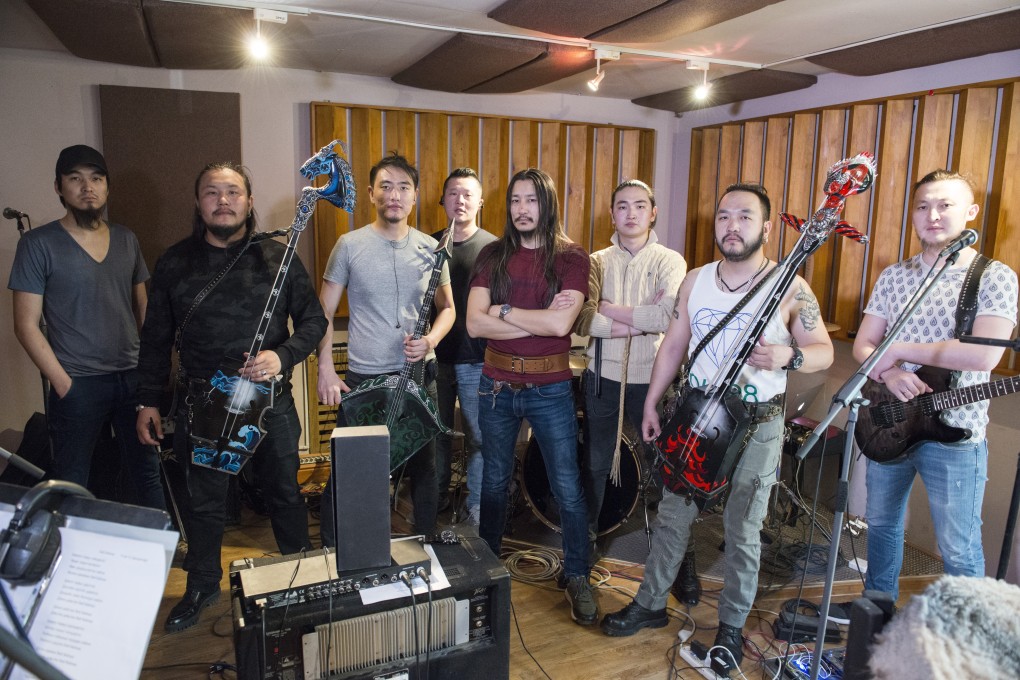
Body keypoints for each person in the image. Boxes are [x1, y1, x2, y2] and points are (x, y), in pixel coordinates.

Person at [600, 183, 834, 676]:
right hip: (697, 418)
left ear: (767, 227)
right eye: (724, 215)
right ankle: (650, 603)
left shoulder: (791, 285)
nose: (732, 225)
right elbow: (673, 345)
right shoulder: (698, 279)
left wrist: (789, 355)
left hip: (758, 424)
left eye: (745, 217)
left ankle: (729, 628)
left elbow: (824, 352)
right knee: (671, 516)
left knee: (744, 531)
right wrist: (650, 403)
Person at [136, 162, 326, 632]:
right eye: (212, 192)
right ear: (198, 202)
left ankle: (298, 575)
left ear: (249, 200)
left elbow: (313, 322)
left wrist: (283, 357)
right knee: (205, 503)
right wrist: (148, 401)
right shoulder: (174, 262)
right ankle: (202, 584)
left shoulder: (278, 257)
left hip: (271, 401)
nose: (223, 201)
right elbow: (155, 338)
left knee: (284, 491)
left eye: (233, 192)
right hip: (202, 402)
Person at [853, 170, 1017, 600]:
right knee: (883, 525)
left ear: (970, 212)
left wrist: (899, 348)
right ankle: (878, 610)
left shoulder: (994, 276)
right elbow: (863, 346)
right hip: (888, 419)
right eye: (923, 206)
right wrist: (889, 372)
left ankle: (968, 639)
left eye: (945, 205)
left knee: (958, 547)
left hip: (956, 433)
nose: (933, 215)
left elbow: (983, 355)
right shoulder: (895, 275)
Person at [465, 168, 595, 625]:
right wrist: (532, 317)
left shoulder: (572, 258)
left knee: (567, 487)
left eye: (531, 201)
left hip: (551, 387)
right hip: (496, 385)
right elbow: (475, 324)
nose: (522, 210)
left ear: (547, 204)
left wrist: (503, 309)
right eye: (515, 201)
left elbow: (561, 326)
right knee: (494, 480)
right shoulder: (492, 254)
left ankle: (578, 574)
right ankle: (487, 565)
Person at [9, 144, 164, 509]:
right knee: (72, 480)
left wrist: (150, 374)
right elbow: (25, 324)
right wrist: (64, 384)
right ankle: (69, 558)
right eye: (75, 179)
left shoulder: (126, 238)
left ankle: (161, 552)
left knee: (147, 470)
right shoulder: (37, 244)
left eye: (96, 179)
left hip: (131, 379)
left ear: (107, 187)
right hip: (77, 383)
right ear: (59, 187)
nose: (87, 187)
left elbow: (144, 308)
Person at [317, 153, 454, 545]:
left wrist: (430, 340)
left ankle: (425, 550)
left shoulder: (432, 248)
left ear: (414, 196)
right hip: (365, 377)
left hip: (418, 375)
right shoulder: (349, 245)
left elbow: (449, 309)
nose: (395, 195)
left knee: (425, 469)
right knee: (351, 469)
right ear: (373, 194)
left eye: (404, 187)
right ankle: (334, 552)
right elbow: (322, 313)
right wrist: (325, 368)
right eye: (386, 186)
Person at [573, 179, 690, 579]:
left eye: (640, 206)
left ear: (652, 212)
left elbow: (665, 319)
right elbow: (584, 319)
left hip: (653, 379)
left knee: (666, 470)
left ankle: (676, 560)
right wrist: (634, 322)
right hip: (601, 376)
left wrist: (611, 310)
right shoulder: (594, 260)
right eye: (622, 206)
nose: (631, 213)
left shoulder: (671, 261)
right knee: (594, 464)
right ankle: (584, 547)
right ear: (612, 214)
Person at [430, 168, 496, 525]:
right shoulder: (429, 244)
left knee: (479, 437)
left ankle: (476, 504)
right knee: (436, 435)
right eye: (454, 193)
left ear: (480, 201)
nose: (461, 200)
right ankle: (435, 497)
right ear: (443, 200)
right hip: (434, 358)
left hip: (477, 360)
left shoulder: (494, 248)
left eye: (468, 194)